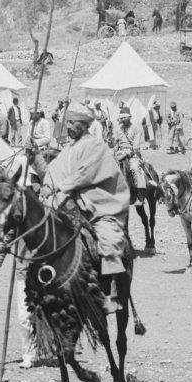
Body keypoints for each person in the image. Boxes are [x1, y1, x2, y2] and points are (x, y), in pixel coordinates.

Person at [42, 102, 130, 313]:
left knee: (108, 239)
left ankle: (111, 294)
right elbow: (56, 167)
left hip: (100, 203)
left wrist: (61, 187)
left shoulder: (96, 145)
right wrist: (47, 184)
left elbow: (85, 173)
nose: (69, 127)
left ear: (83, 124)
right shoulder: (71, 145)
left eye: (72, 123)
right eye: (68, 122)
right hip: (73, 200)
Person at [114, 106, 146, 205]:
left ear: (129, 117)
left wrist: (128, 152)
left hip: (132, 154)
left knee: (135, 169)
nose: (122, 120)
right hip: (119, 153)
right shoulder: (118, 128)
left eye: (124, 118)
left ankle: (140, 195)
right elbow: (115, 144)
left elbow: (136, 147)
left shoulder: (136, 128)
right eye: (121, 118)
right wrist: (112, 146)